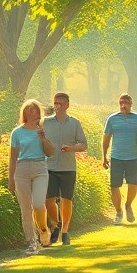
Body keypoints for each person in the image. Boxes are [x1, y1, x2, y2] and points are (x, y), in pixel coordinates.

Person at [9, 99, 56, 254]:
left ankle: (43, 230)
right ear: (24, 113)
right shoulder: (17, 133)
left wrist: (42, 137)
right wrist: (11, 179)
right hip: (21, 170)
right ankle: (32, 241)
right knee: (25, 208)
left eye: (35, 110)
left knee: (38, 204)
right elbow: (13, 157)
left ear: (39, 113)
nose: (33, 112)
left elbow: (50, 152)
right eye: (29, 110)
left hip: (40, 167)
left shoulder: (43, 129)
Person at [43, 92, 87, 245]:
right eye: (56, 103)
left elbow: (83, 144)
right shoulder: (46, 123)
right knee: (48, 200)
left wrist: (72, 148)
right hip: (49, 166)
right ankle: (56, 225)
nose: (58, 106)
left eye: (61, 103)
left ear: (67, 105)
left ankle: (65, 231)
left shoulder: (74, 123)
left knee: (66, 199)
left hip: (68, 168)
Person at [102, 93, 137, 225]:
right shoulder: (112, 119)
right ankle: (118, 211)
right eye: (121, 103)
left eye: (126, 103)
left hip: (132, 158)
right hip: (116, 157)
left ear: (131, 104)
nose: (123, 105)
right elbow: (106, 138)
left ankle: (128, 205)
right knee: (114, 186)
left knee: (133, 184)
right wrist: (104, 156)